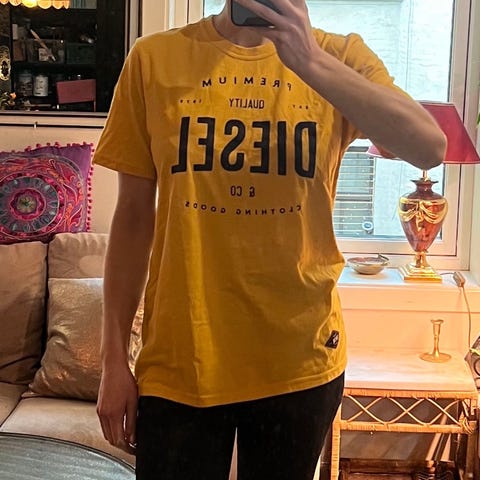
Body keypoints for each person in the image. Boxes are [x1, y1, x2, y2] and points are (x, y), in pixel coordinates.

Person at [94, 0, 446, 478]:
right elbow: (134, 219)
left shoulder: (338, 56)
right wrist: (113, 359)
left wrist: (310, 61)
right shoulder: (154, 58)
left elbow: (429, 146)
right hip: (181, 357)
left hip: (299, 360)